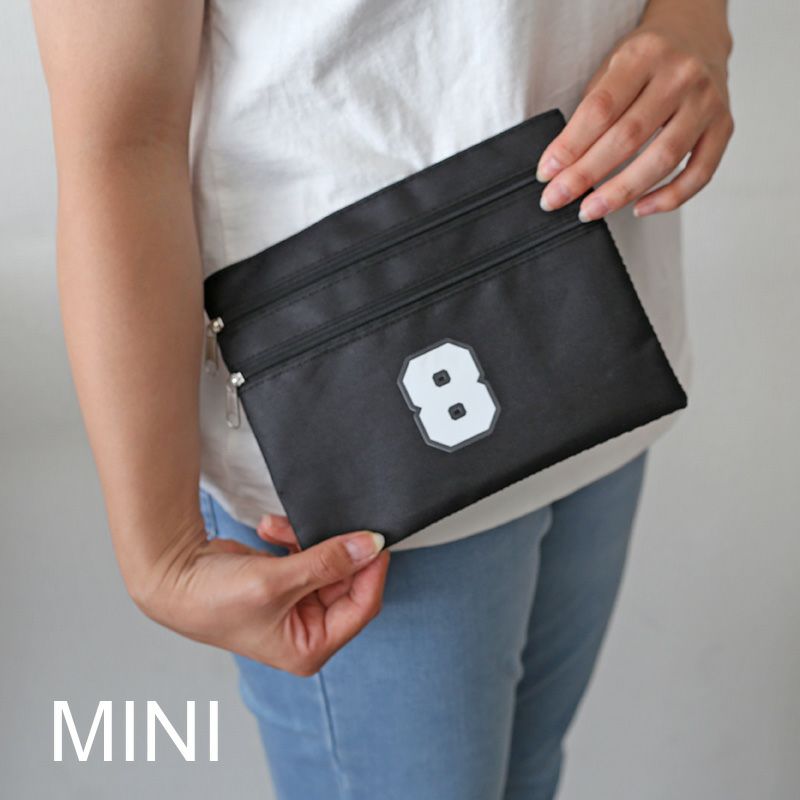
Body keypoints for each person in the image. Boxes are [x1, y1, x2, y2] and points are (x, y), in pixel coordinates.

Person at [32, 1, 733, 797]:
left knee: (531, 776)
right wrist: (160, 555)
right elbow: (119, 138)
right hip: (358, 453)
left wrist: (694, 24)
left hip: (600, 319)